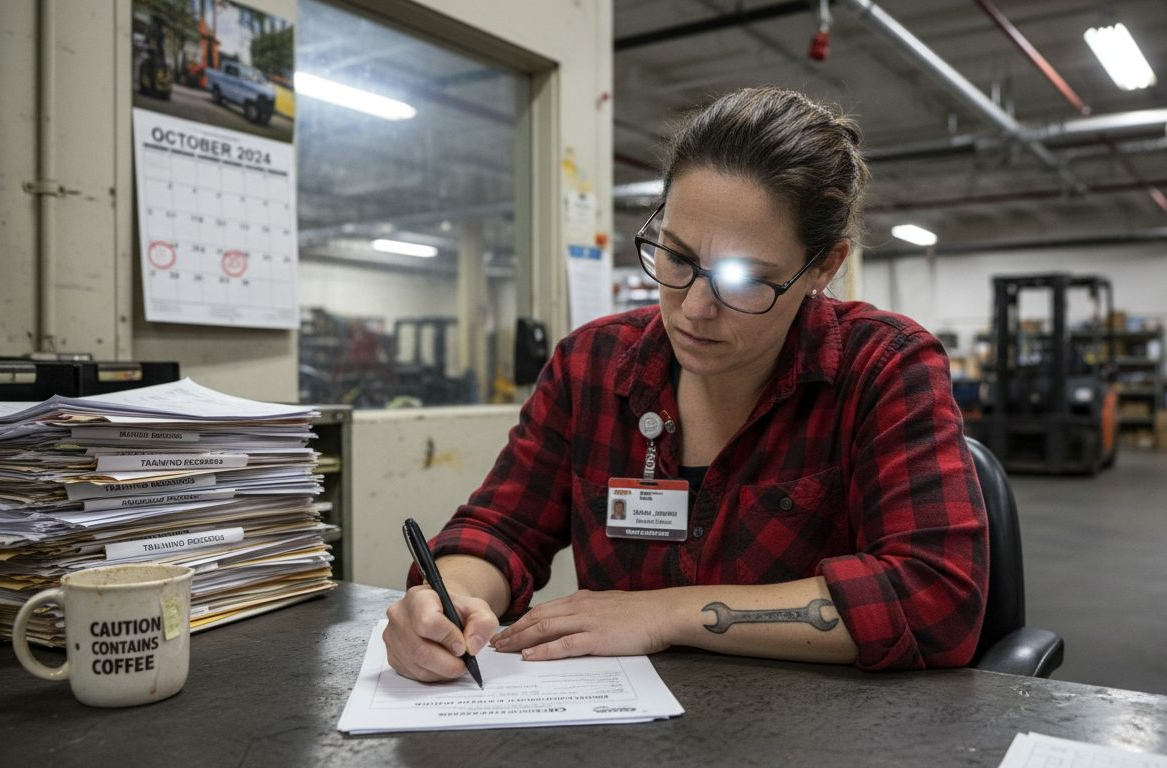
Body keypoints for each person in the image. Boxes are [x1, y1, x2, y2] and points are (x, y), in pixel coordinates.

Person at [383, 87, 988, 681]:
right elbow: (500, 527)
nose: (695, 308)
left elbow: (935, 596)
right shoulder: (591, 364)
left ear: (824, 267)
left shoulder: (883, 368)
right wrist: (451, 597)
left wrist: (667, 611)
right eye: (675, 257)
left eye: (745, 277)